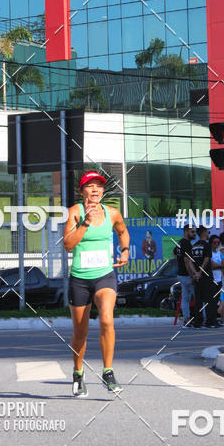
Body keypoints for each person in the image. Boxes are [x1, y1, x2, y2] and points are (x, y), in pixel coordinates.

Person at [63, 170, 129, 397]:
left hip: (105, 275)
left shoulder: (112, 213)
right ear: (82, 192)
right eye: (90, 186)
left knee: (107, 319)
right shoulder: (75, 212)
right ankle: (78, 374)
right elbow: (68, 245)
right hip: (80, 279)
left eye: (98, 186)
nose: (95, 190)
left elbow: (123, 231)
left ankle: (108, 372)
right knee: (80, 332)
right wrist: (86, 223)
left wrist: (125, 251)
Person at [173, 224, 198, 328]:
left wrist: (180, 265)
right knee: (198, 297)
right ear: (186, 231)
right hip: (187, 276)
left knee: (185, 299)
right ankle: (202, 319)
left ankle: (187, 320)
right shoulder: (187, 244)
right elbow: (187, 261)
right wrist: (192, 275)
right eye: (192, 232)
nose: (194, 234)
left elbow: (174, 253)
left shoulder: (179, 243)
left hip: (181, 274)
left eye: (195, 232)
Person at [207, 231, 224, 327]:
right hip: (222, 278)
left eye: (217, 243)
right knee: (223, 299)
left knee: (223, 298)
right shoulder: (223, 251)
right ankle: (222, 317)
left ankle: (222, 316)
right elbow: (222, 266)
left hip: (223, 277)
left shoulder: (222, 251)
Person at [191, 226, 212, 328]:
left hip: (197, 277)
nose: (209, 234)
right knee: (208, 299)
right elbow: (206, 259)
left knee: (198, 300)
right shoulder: (206, 245)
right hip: (206, 275)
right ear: (204, 233)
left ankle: (198, 322)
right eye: (208, 232)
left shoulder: (194, 246)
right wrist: (201, 272)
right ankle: (209, 322)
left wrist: (195, 273)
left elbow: (191, 261)